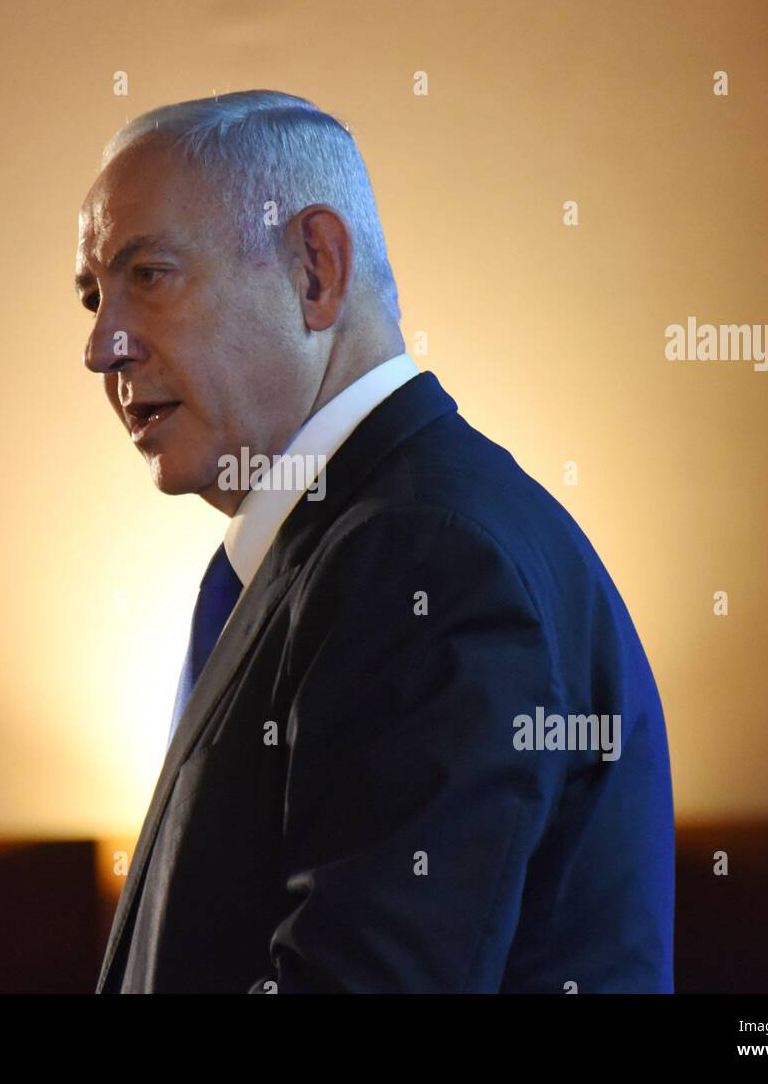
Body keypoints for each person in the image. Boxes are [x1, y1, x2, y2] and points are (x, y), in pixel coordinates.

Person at [76, 90, 674, 993]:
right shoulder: (348, 543)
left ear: (315, 269)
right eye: (93, 297)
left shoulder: (425, 560)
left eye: (148, 275)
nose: (101, 347)